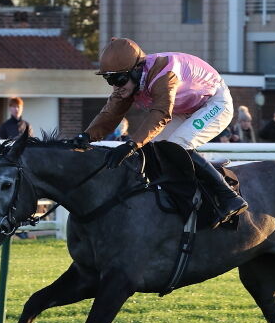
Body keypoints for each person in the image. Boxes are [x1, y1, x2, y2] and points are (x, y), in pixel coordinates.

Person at [75, 37, 246, 227]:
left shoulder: (164, 73)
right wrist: (86, 136)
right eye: (110, 80)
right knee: (157, 148)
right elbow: (111, 113)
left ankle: (229, 197)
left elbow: (161, 114)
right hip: (183, 109)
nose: (116, 87)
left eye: (119, 79)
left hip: (214, 103)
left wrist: (131, 145)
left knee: (178, 144)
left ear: (137, 69)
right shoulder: (130, 81)